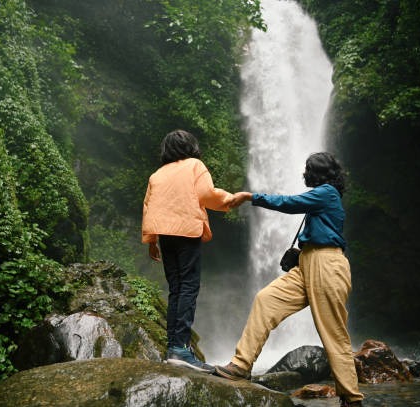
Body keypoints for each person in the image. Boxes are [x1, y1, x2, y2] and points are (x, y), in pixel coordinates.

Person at [215, 152, 364, 407]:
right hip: (307, 263)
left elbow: (289, 203)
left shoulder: (327, 192)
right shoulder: (321, 197)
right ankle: (241, 365)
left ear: (317, 173)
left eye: (308, 169)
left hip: (327, 265)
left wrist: (251, 197)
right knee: (266, 299)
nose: (304, 174)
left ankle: (351, 398)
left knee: (333, 332)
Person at [141, 129, 234, 373]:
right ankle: (181, 348)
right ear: (191, 147)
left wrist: (152, 240)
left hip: (164, 234)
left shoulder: (157, 174)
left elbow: (148, 207)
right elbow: (206, 195)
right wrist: (230, 200)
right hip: (186, 231)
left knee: (176, 288)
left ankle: (174, 346)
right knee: (189, 286)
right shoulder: (195, 165)